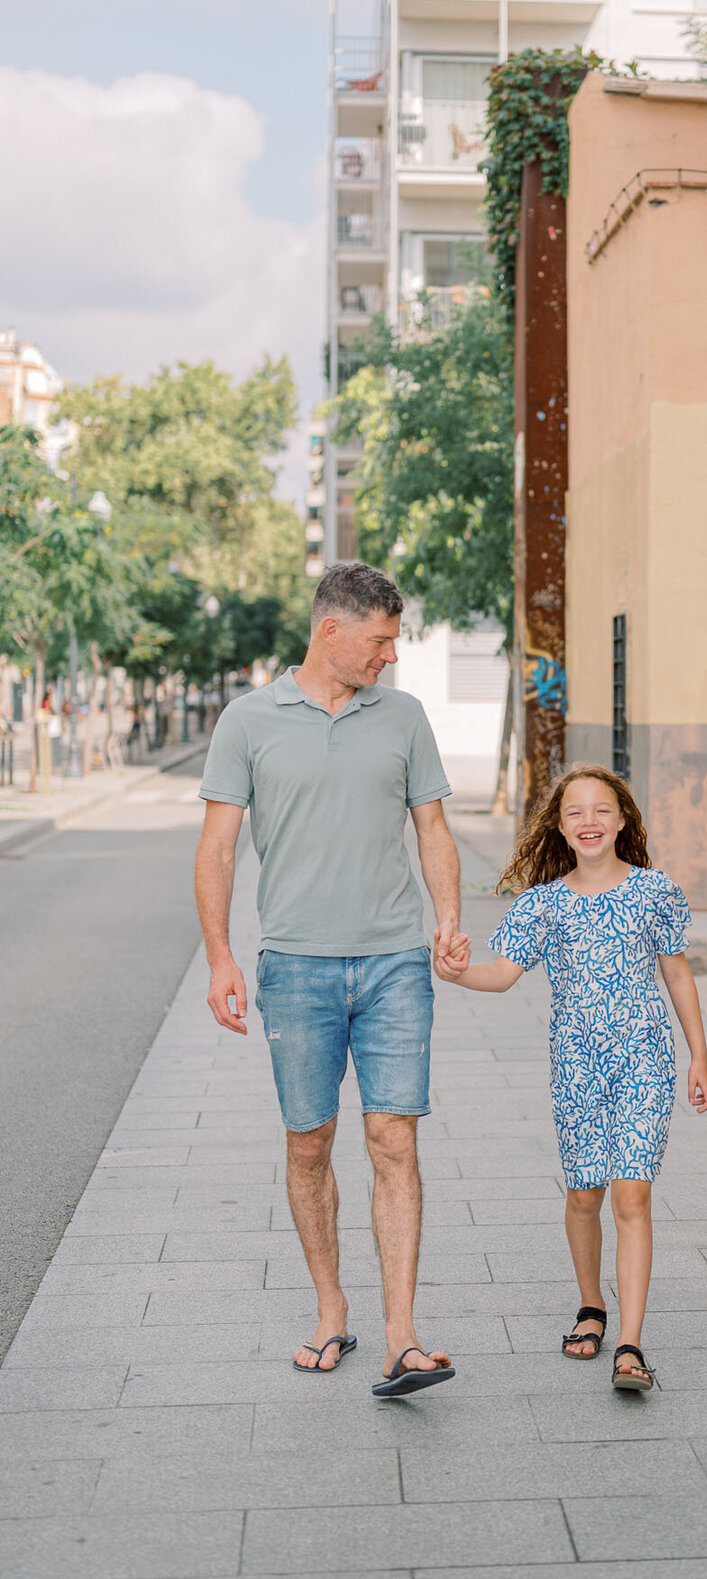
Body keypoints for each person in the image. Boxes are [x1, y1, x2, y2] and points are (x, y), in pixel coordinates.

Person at [194, 560, 468, 1397]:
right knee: (309, 1141)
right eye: (381, 641)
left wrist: (447, 917)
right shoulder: (248, 720)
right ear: (332, 631)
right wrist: (220, 956)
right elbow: (215, 848)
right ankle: (330, 1310)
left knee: (395, 1138)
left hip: (393, 963)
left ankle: (402, 1336)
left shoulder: (406, 716)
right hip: (296, 967)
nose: (391, 655)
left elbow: (434, 828)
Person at [435, 763, 707, 1391]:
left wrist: (699, 1056)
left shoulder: (656, 892)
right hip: (576, 1067)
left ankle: (631, 1344)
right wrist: (456, 972)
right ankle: (592, 1304)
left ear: (622, 821)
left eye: (601, 811)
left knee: (632, 1194)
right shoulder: (543, 904)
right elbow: (503, 973)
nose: (588, 822)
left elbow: (677, 975)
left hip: (645, 1059)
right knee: (585, 1193)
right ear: (559, 828)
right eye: (574, 813)